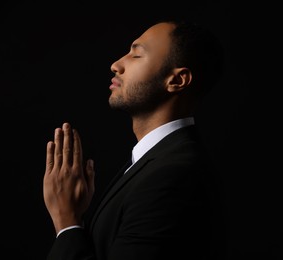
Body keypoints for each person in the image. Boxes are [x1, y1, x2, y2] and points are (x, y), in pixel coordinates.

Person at [43, 18, 226, 260]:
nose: (116, 65)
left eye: (136, 55)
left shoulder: (173, 175)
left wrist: (67, 221)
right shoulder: (155, 162)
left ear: (177, 80)